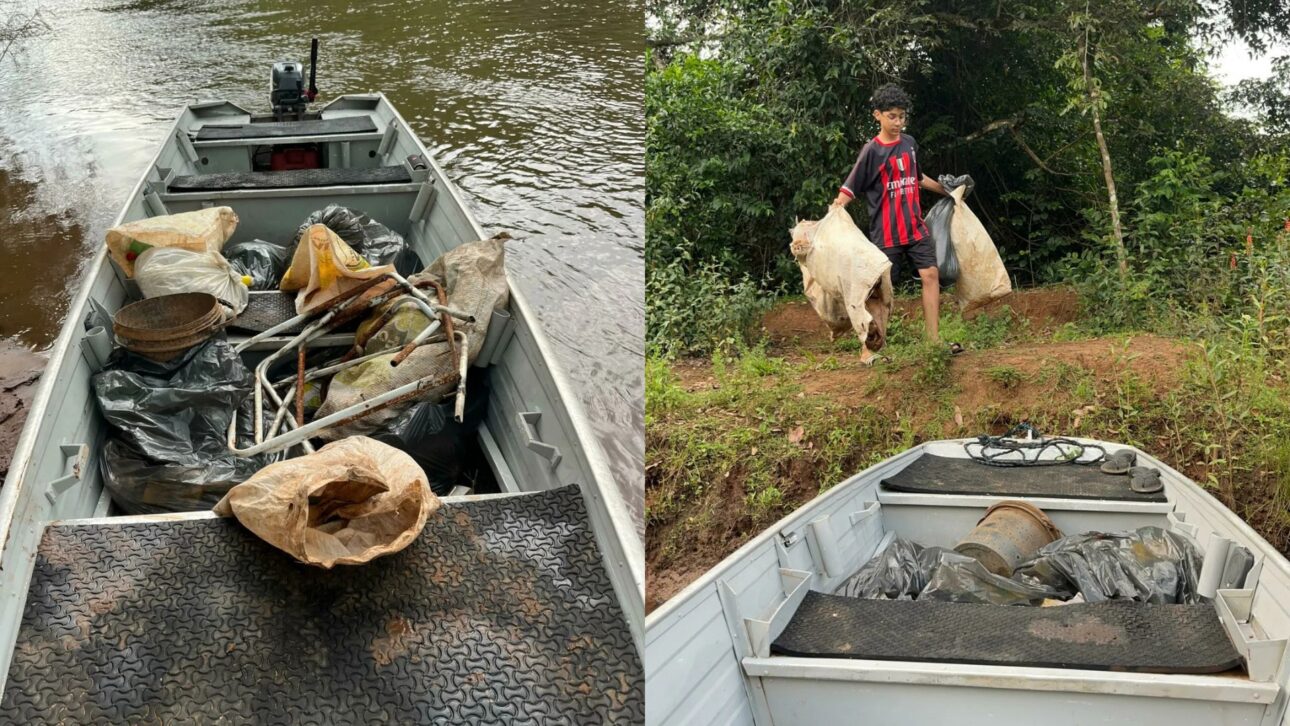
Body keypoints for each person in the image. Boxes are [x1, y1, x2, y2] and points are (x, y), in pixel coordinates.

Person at [831, 83, 961, 354]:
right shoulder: (872, 151)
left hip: (915, 227)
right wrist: (834, 212)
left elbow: (917, 177)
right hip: (886, 233)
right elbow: (850, 187)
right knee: (880, 292)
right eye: (892, 116)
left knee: (931, 274)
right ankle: (873, 349)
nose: (898, 122)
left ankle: (934, 342)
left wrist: (948, 191)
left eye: (902, 116)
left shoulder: (910, 144)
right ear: (877, 115)